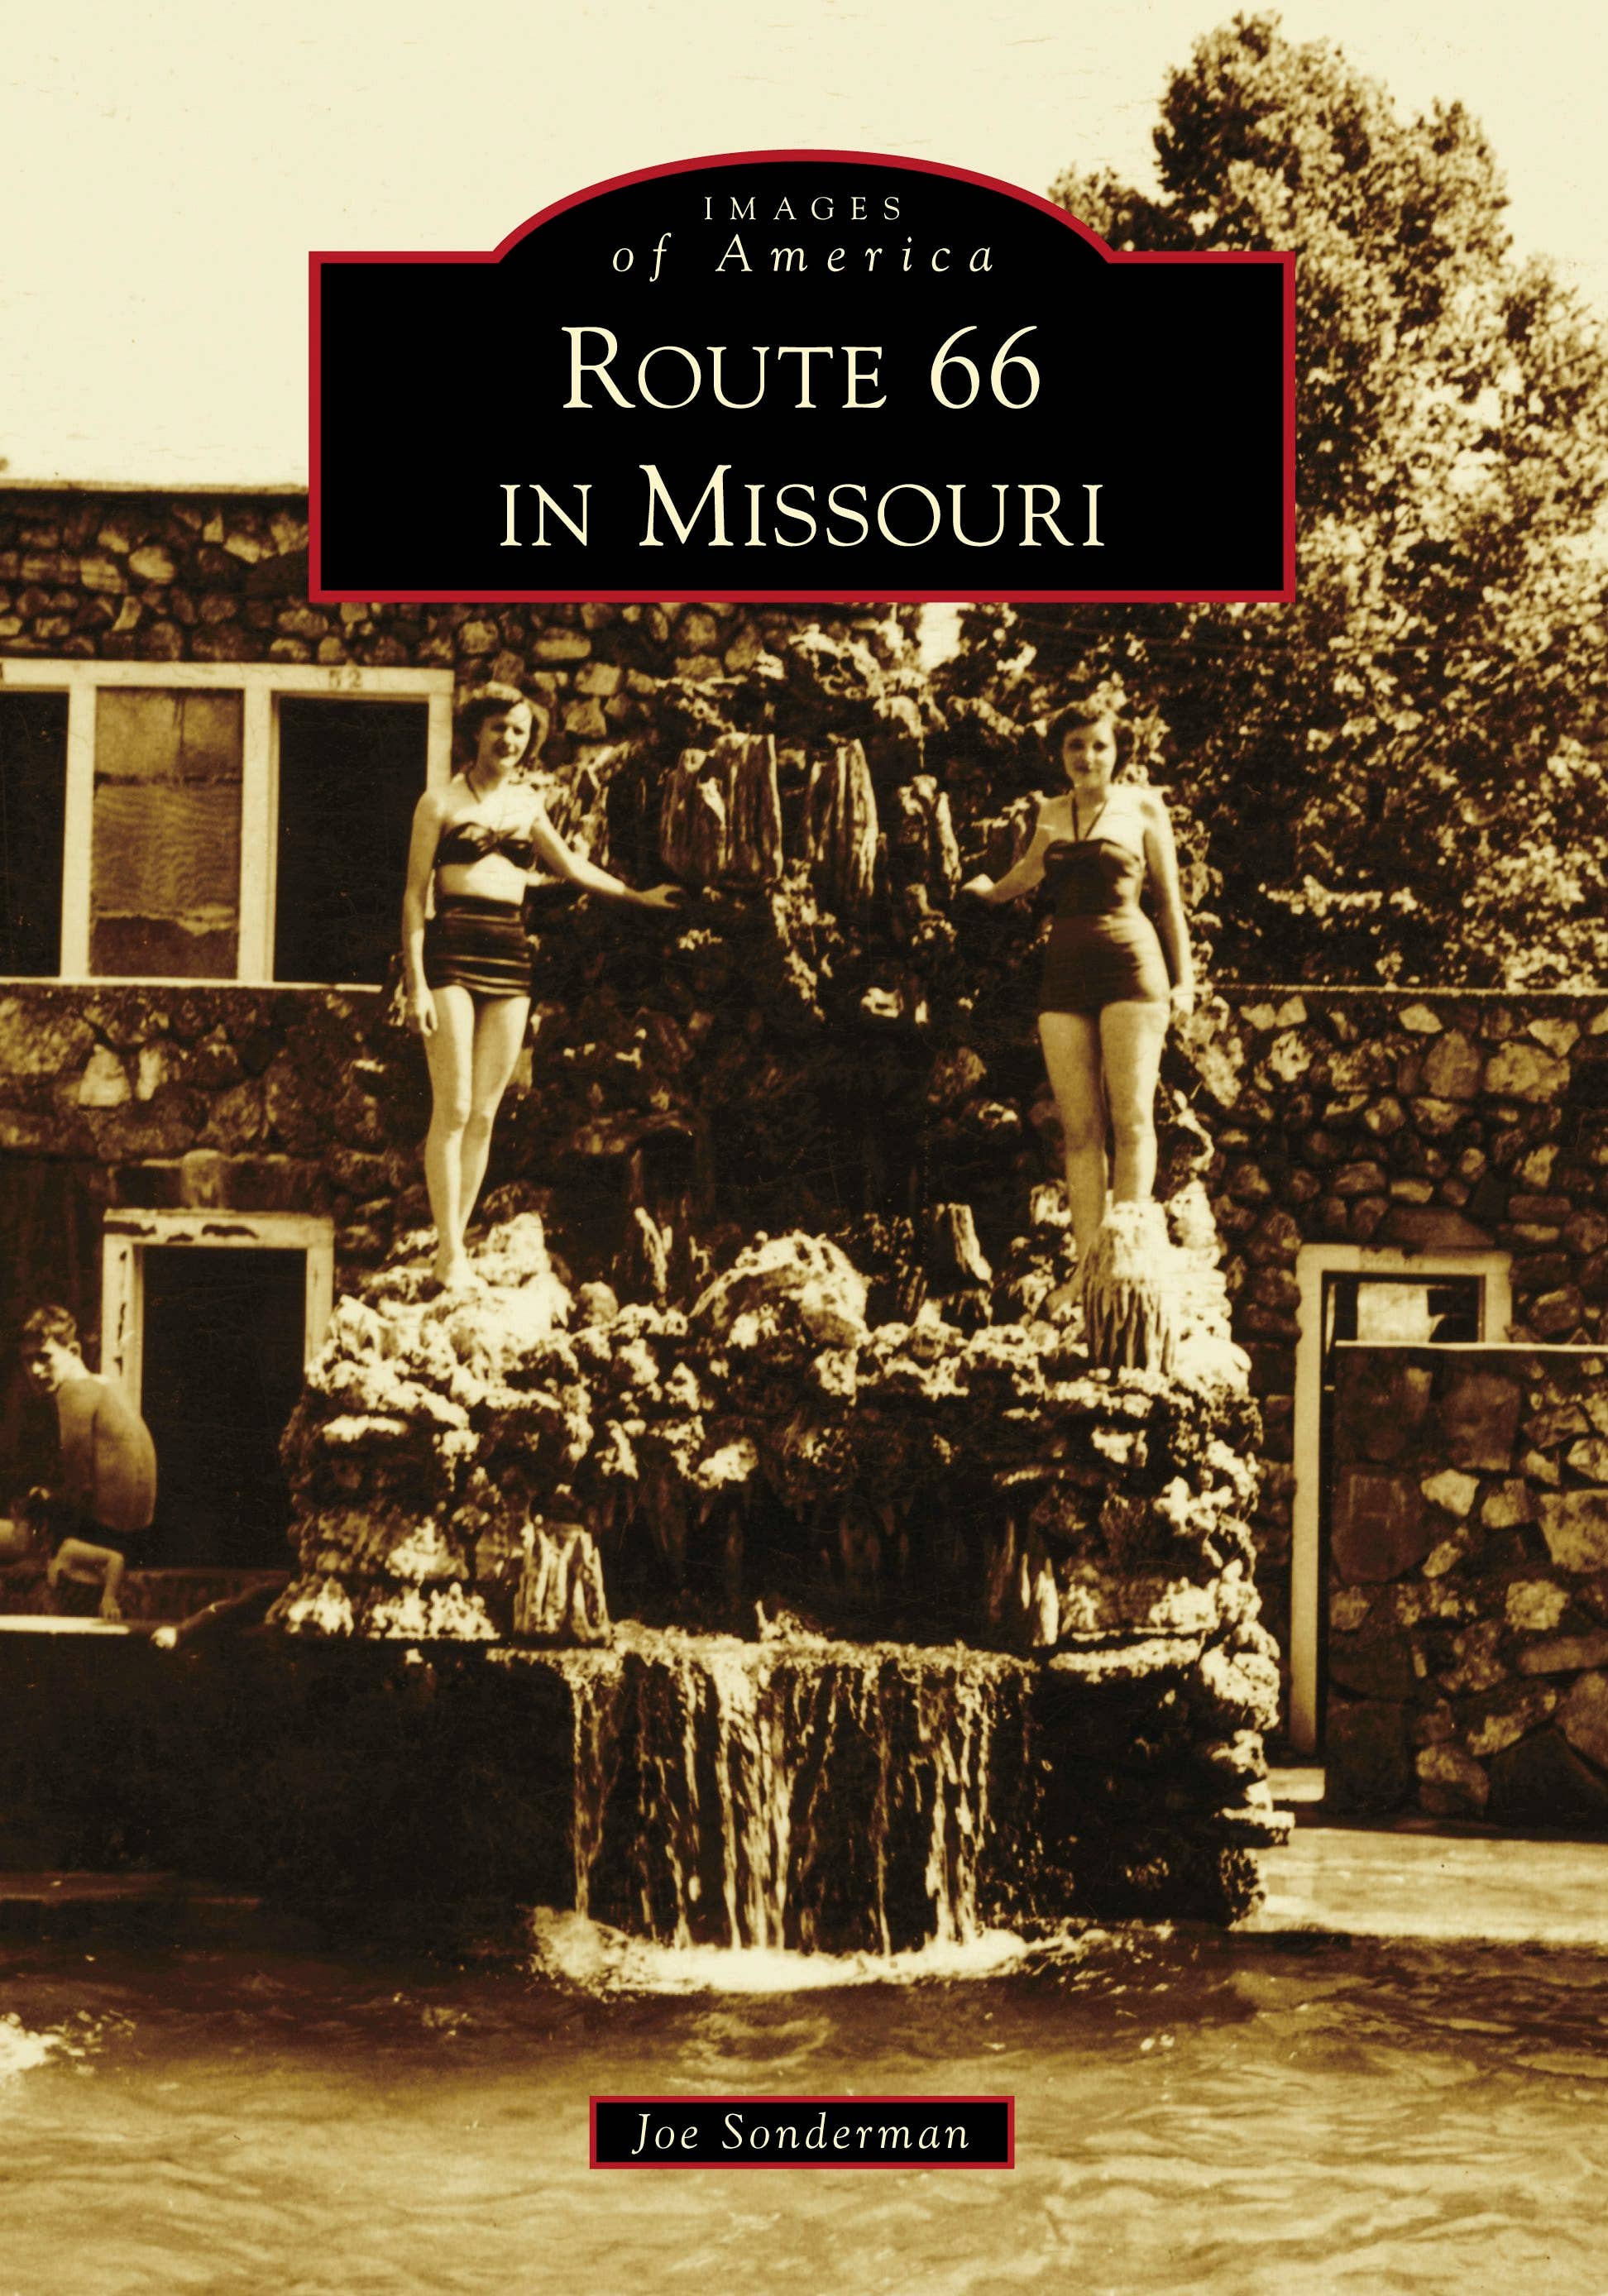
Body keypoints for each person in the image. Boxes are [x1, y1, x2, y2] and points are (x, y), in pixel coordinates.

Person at [401, 682, 685, 1289]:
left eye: (520, 732)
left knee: (484, 1112)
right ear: (477, 731)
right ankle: (449, 1252)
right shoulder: (439, 803)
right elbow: (414, 897)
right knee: (453, 1107)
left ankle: (456, 1245)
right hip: (452, 950)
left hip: (509, 953)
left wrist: (639, 897)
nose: (509, 740)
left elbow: (573, 867)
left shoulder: (529, 805)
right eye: (499, 728)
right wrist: (416, 983)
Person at [960, 695, 1194, 1281]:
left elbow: (1169, 903)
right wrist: (989, 891)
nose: (1087, 756)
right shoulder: (1050, 811)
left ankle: (1126, 1263)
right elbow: (1030, 872)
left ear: (1118, 752)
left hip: (1132, 967)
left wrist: (1185, 983)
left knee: (1131, 1120)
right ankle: (1088, 1270)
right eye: (1075, 746)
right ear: (1060, 753)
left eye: (1099, 745)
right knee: (1080, 1131)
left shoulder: (1144, 807)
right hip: (1065, 972)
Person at [0, 1305, 157, 1621]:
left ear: (73, 1351)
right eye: (27, 1360)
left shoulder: (73, 1392)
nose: (35, 1370)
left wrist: (40, 1501)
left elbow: (78, 1488)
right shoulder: (106, 1385)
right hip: (140, 1539)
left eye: (44, 1357)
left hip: (105, 1538)